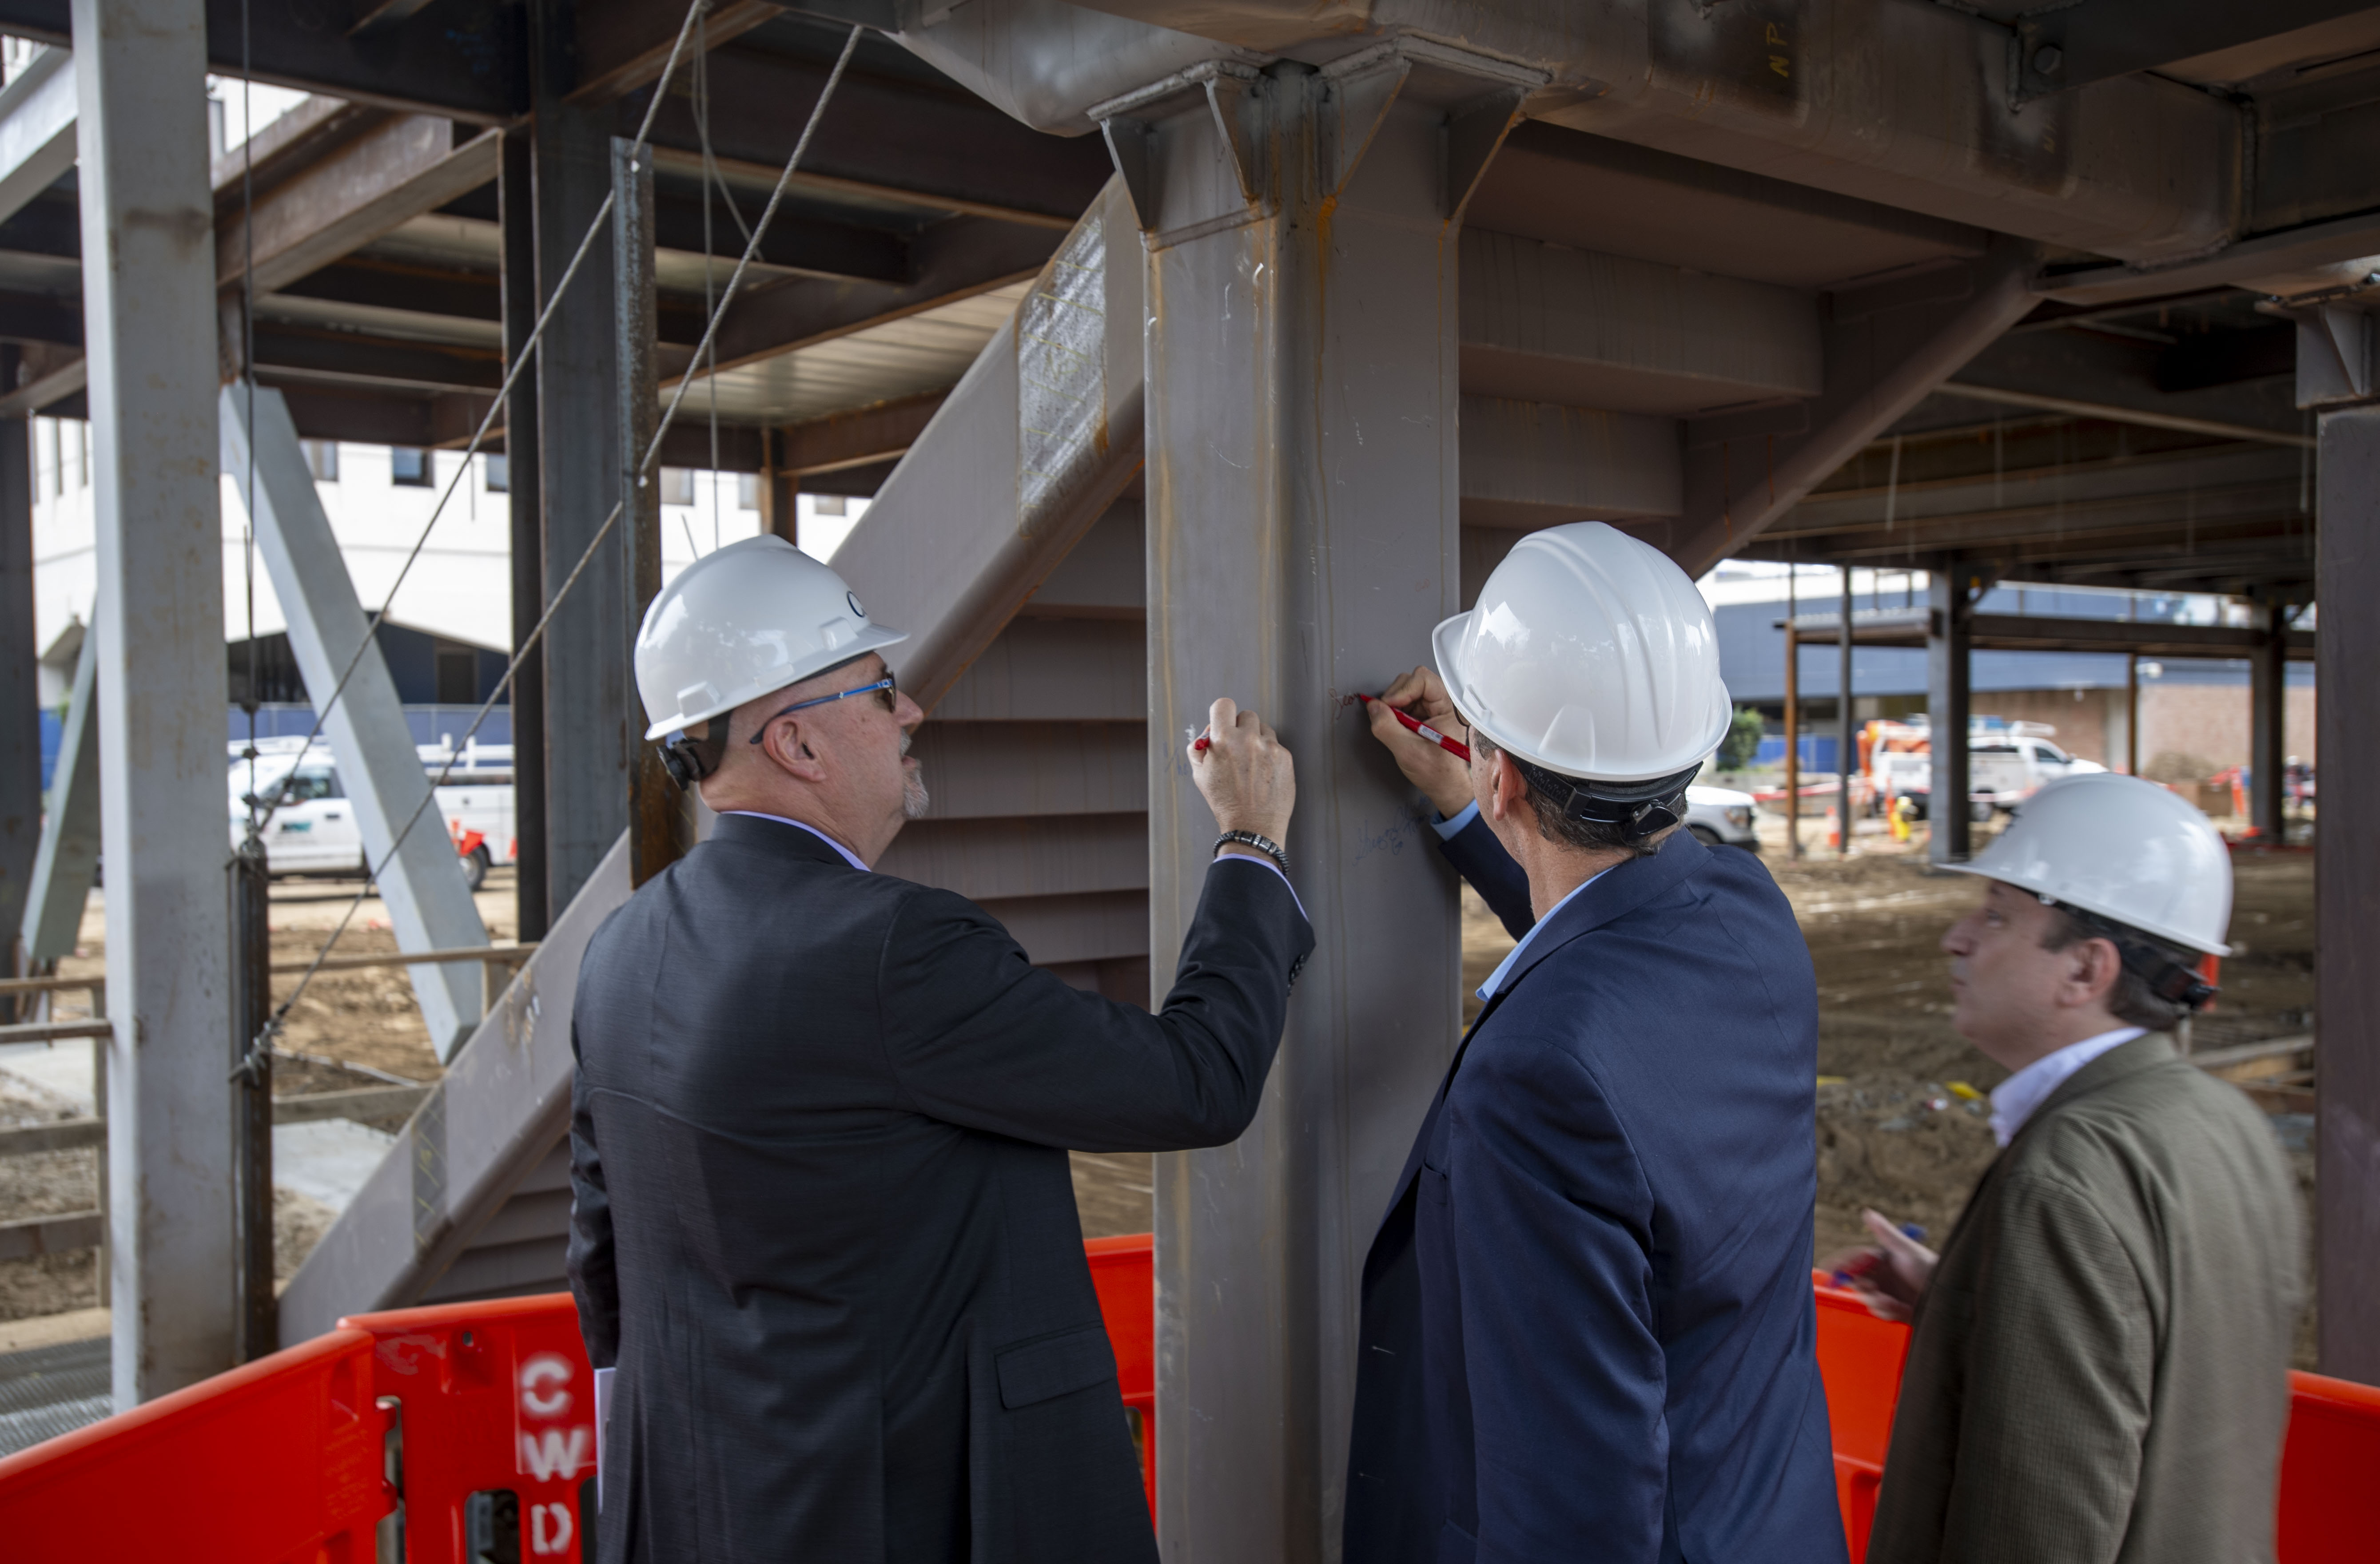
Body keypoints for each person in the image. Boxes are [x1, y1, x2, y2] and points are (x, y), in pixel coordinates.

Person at [566, 535, 1313, 1562]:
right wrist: (1252, 843)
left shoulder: (621, 951)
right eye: (878, 690)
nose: (910, 710)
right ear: (797, 744)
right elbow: (1198, 1082)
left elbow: (602, 1266)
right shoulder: (893, 949)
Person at [1343, 522, 1847, 1564]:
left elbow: (1569, 1489)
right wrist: (1466, 797)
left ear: (1507, 781)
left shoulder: (1539, 1084)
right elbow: (1611, 936)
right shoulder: (1750, 917)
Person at [1836, 772, 2303, 1564]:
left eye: (1996, 915)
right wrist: (1968, 1296)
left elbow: (2034, 1524)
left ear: (2087, 970)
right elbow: (2161, 1355)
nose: (1957, 937)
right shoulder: (2223, 1123)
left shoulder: (2066, 1172)